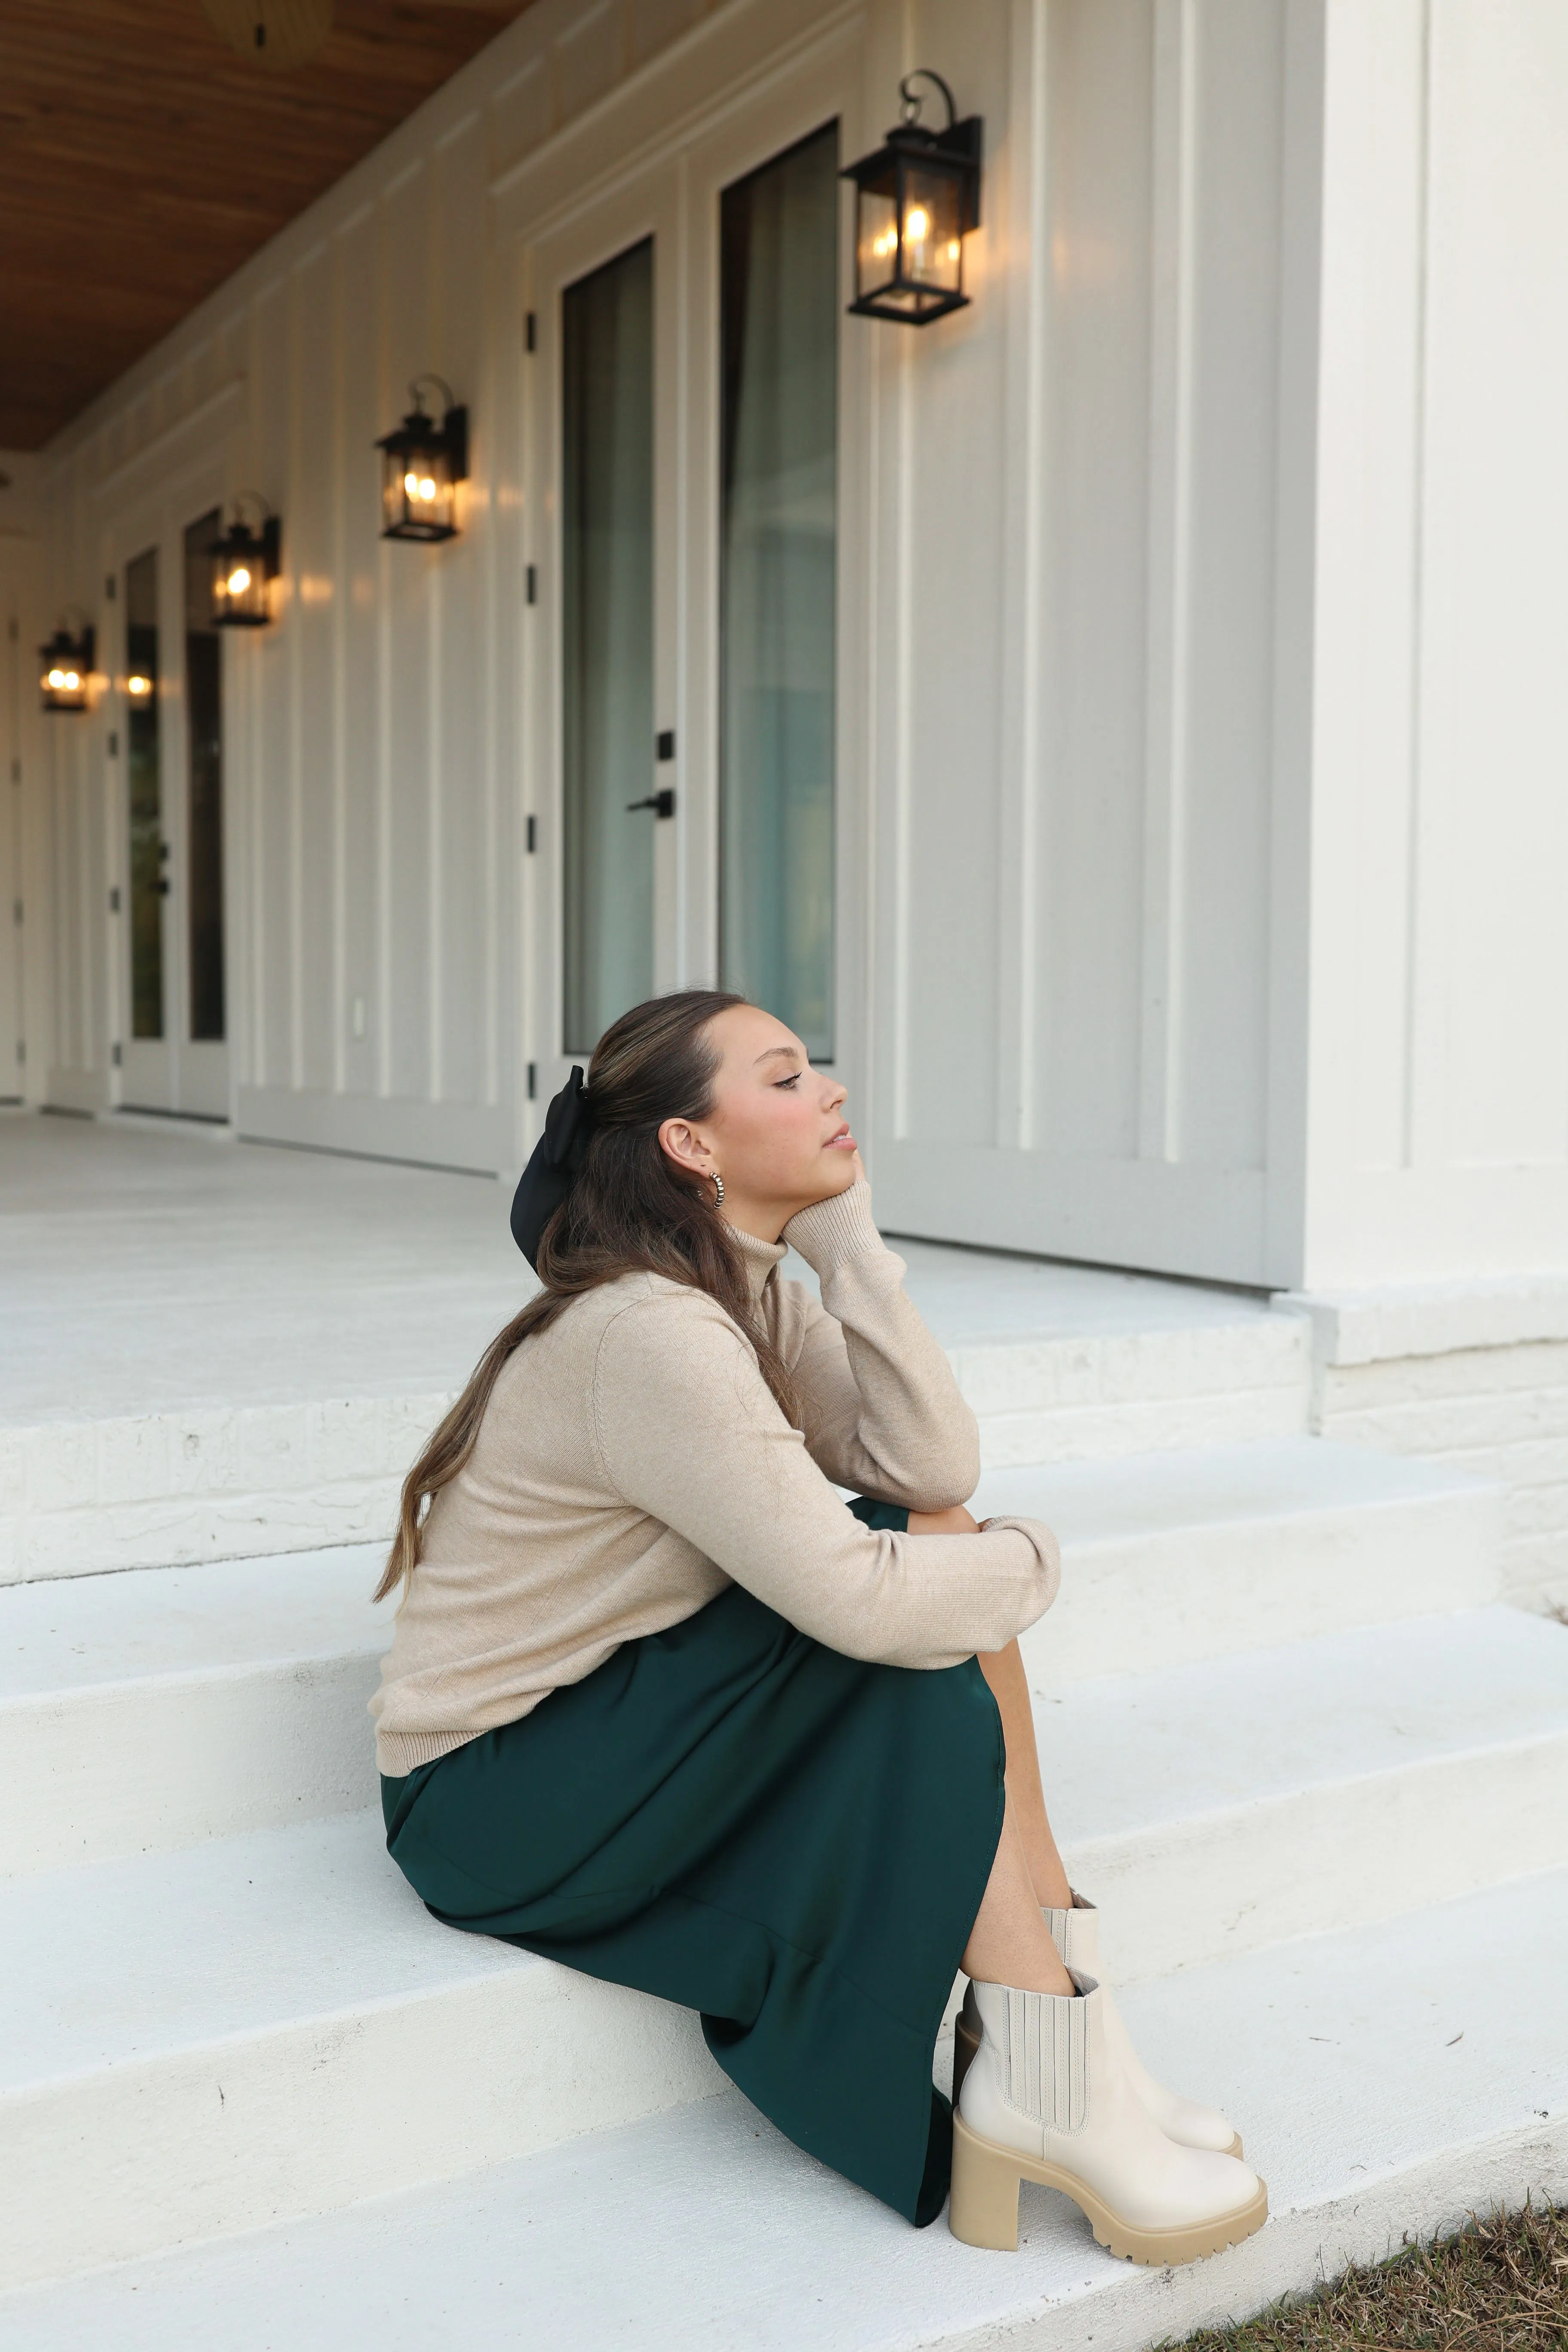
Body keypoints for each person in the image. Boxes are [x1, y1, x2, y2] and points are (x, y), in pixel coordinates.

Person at [371, 989, 1266, 2260]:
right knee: (915, 1601)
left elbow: (925, 1459)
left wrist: (847, 1238)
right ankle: (1048, 2064)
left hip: (622, 1721)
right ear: (691, 1143)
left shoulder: (736, 1291)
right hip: (491, 1795)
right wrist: (1035, 1561)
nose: (832, 1091)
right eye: (786, 1078)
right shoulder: (648, 1330)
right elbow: (861, 1591)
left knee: (930, 1547)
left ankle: (1070, 2054)